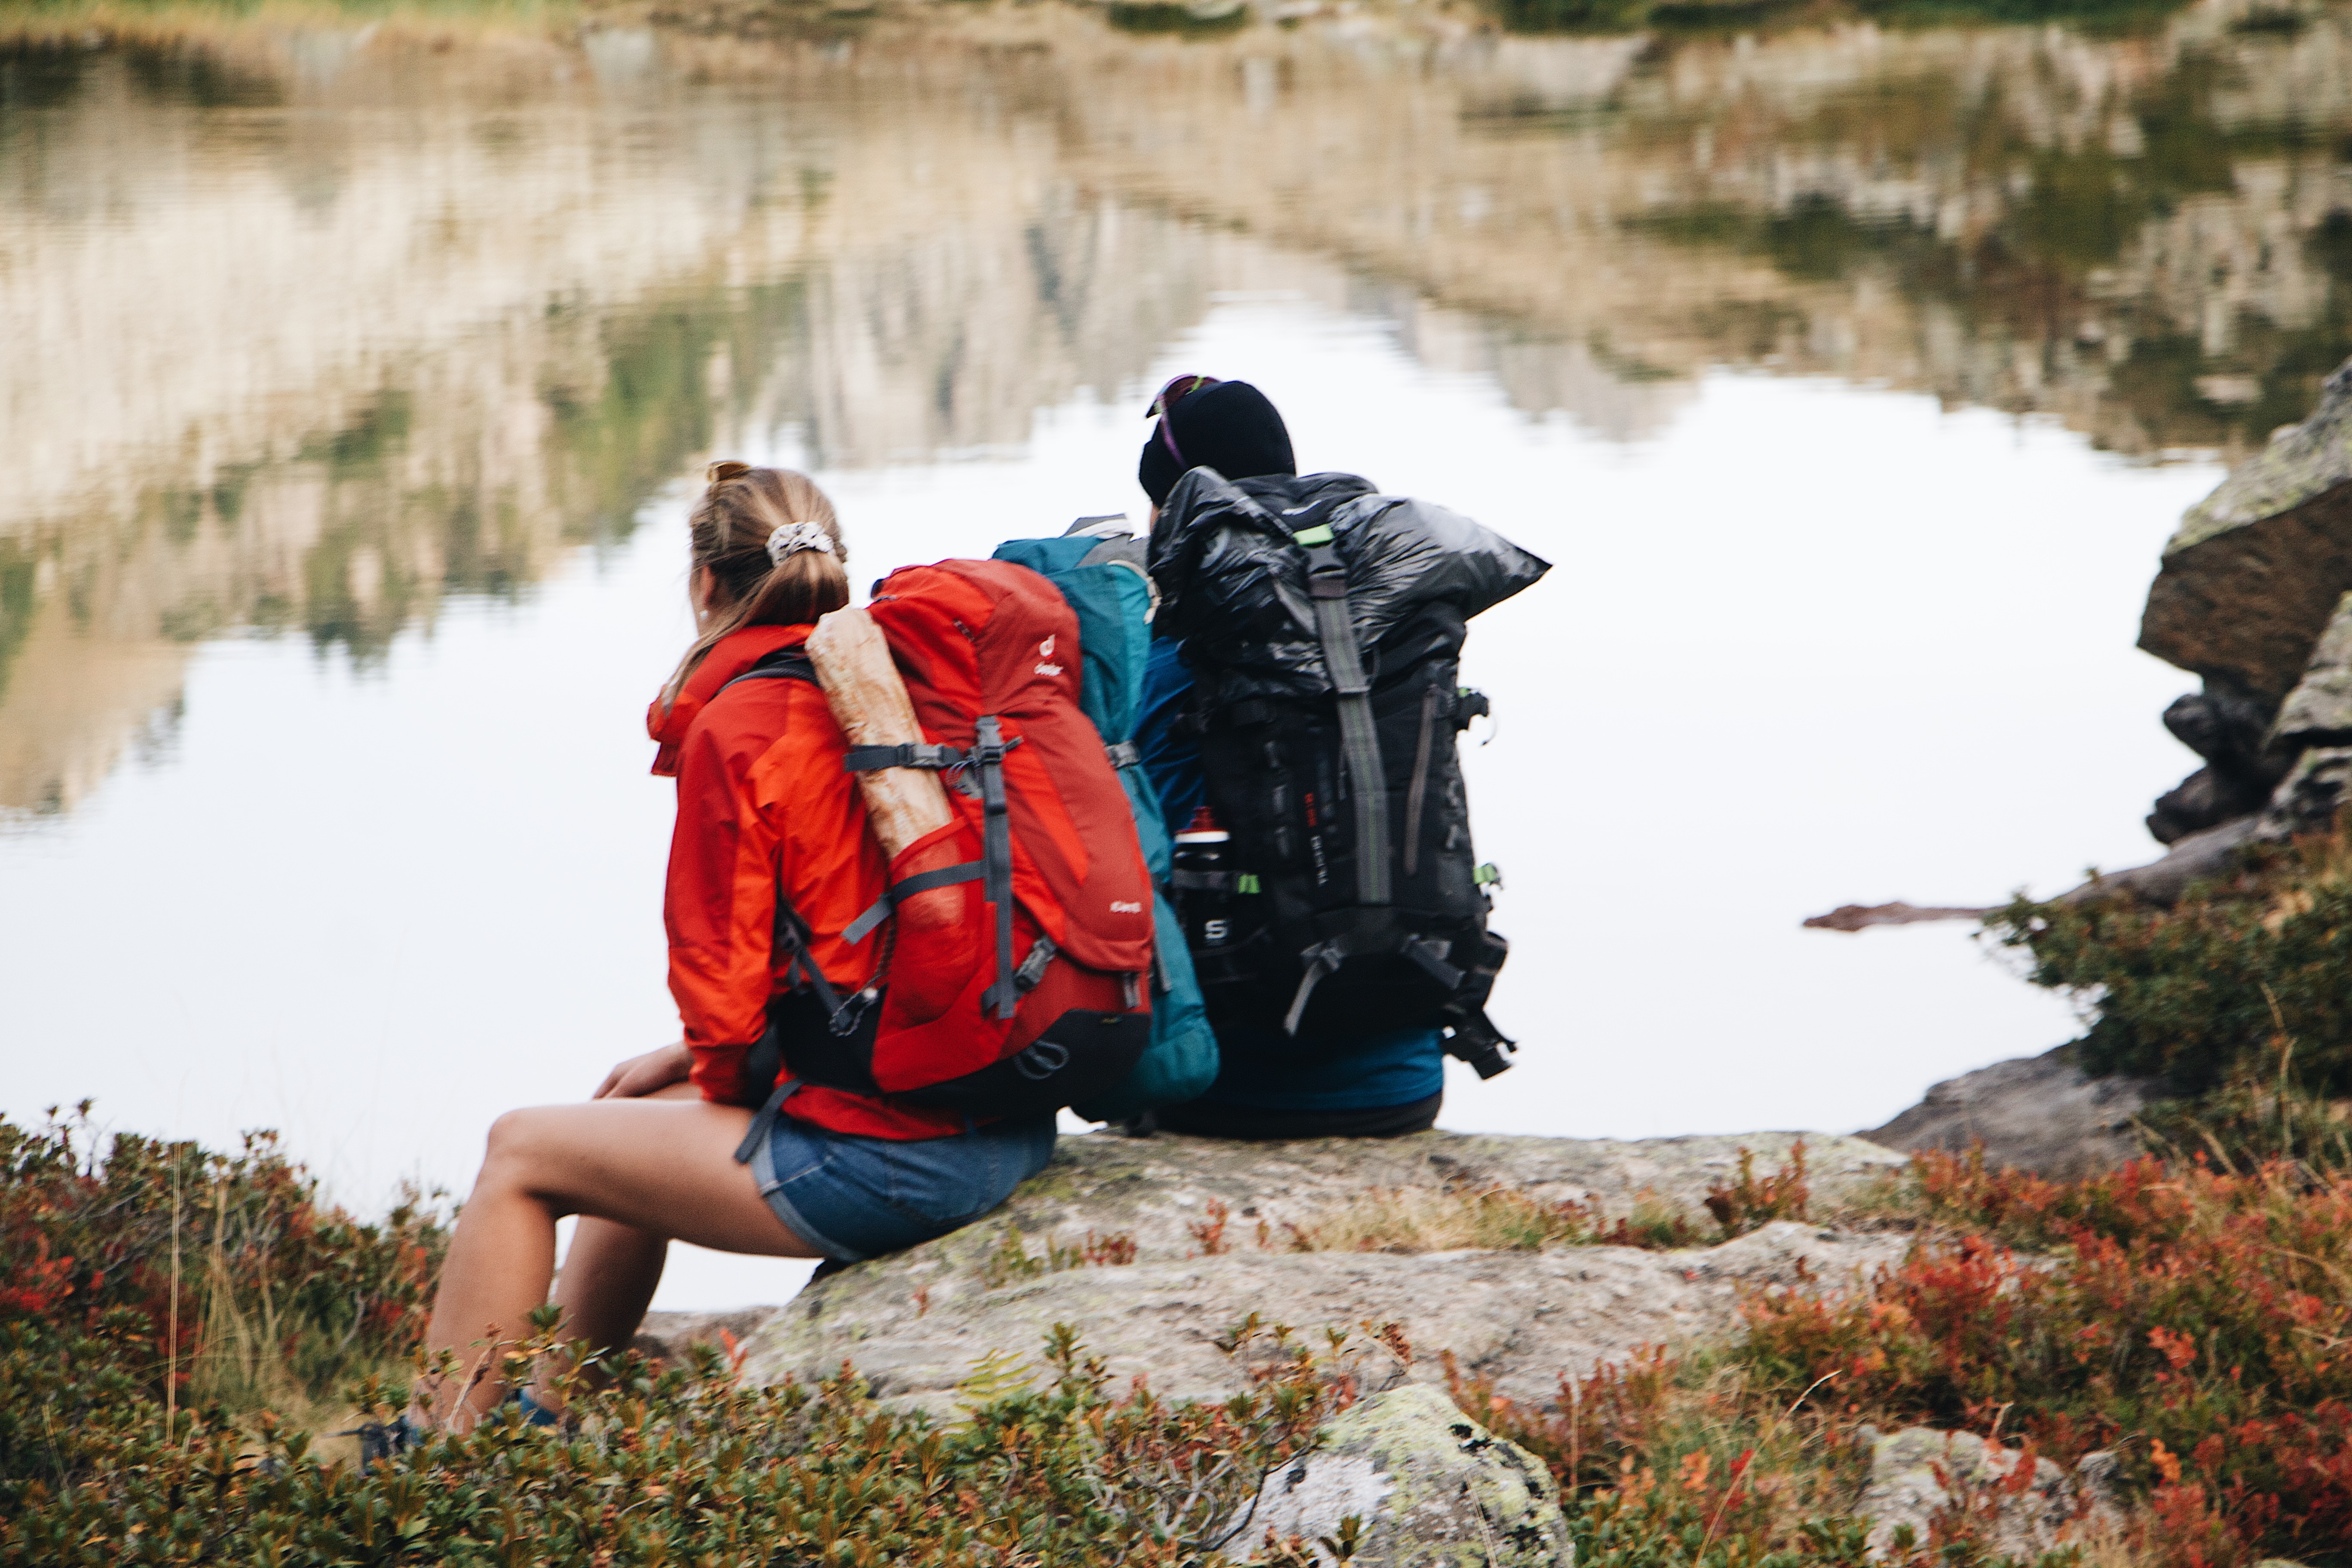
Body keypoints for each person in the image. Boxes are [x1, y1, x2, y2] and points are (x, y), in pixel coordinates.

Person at [410, 463, 1056, 1431]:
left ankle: (436, 1453)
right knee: (639, 1107)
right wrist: (685, 1068)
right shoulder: (907, 685)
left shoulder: (745, 723)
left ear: (705, 585)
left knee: (522, 1150)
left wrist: (708, 1057)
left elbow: (725, 1012)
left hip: (900, 1163)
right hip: (1005, 1115)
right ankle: (543, 1414)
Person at [1129, 379, 1449, 1139]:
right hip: (1405, 1088)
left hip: (1220, 1095)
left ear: (1173, 513)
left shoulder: (1162, 665)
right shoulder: (1387, 647)